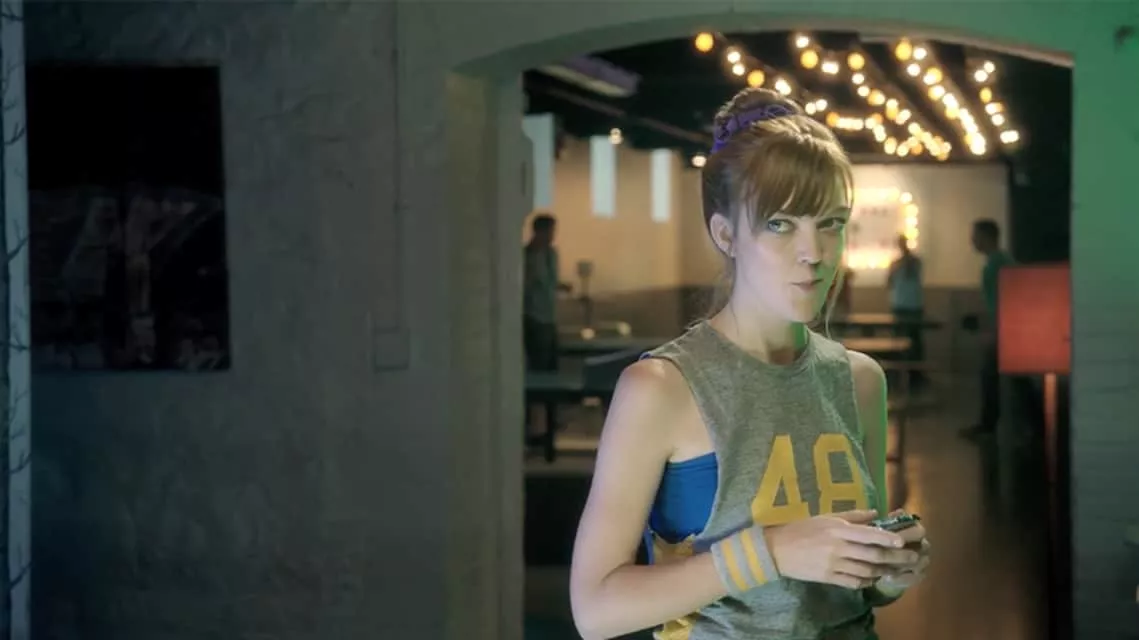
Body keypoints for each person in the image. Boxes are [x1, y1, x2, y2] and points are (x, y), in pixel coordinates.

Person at [569, 88, 931, 640]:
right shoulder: (662, 387)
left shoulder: (859, 380)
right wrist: (772, 550)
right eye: (781, 224)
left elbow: (858, 587)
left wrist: (890, 569)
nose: (814, 252)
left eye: (831, 223)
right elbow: (596, 610)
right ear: (726, 234)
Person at [961, 219, 1016, 438]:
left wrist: (993, 331)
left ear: (986, 237)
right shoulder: (1001, 262)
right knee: (1001, 378)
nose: (972, 241)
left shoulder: (997, 265)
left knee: (991, 377)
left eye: (975, 236)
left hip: (1005, 330)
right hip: (1008, 328)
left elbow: (1002, 303)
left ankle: (989, 427)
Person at [522, 213, 566, 371]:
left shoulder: (552, 254)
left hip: (550, 316)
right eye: (550, 232)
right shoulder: (527, 256)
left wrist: (561, 286)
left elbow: (550, 281)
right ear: (538, 232)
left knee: (551, 365)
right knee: (539, 364)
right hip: (534, 317)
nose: (552, 236)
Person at [885, 234, 926, 377]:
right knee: (898, 339)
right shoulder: (895, 264)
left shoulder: (915, 261)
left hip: (913, 305)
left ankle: (915, 374)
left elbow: (912, 271)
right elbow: (889, 282)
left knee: (915, 339)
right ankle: (899, 372)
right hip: (899, 304)